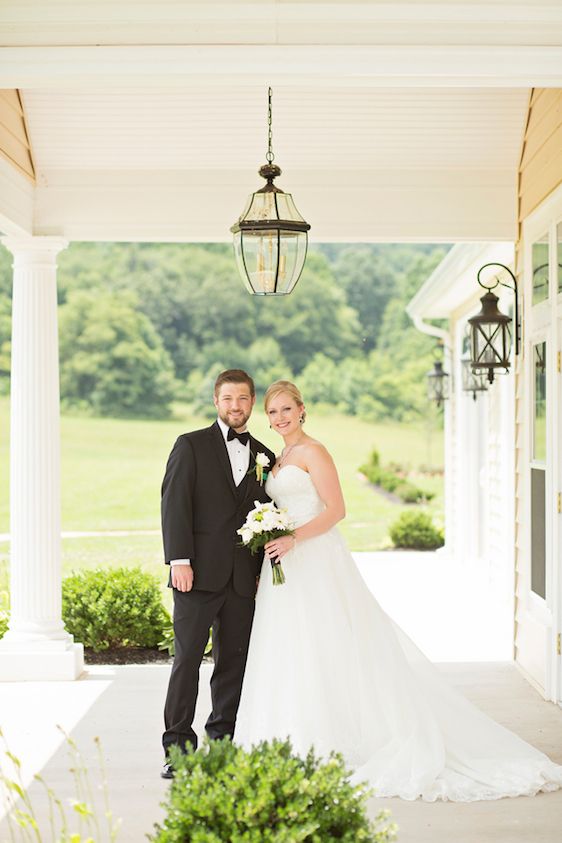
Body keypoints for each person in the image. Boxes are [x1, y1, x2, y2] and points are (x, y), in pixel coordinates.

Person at [235, 380, 562, 801]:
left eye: (286, 409)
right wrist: (271, 536)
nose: (279, 418)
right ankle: (291, 733)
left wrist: (294, 537)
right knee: (292, 646)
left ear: (302, 410)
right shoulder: (277, 458)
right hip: (285, 564)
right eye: (273, 412)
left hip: (316, 558)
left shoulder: (315, 451)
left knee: (329, 641)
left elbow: (336, 510)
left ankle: (342, 737)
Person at [160, 369, 275, 778]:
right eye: (228, 399)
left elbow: (269, 518)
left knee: (233, 663)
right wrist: (179, 560)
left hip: (243, 579)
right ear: (216, 401)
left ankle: (222, 742)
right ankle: (178, 749)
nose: (235, 406)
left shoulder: (265, 455)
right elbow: (175, 504)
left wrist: (262, 570)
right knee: (187, 660)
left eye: (242, 399)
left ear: (252, 402)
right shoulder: (190, 446)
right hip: (196, 574)